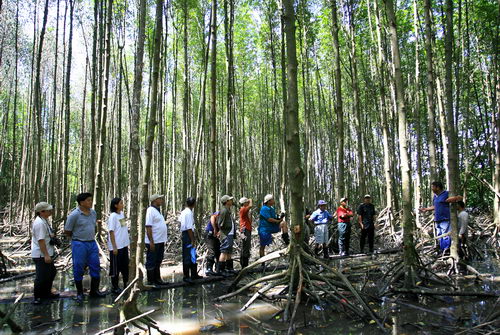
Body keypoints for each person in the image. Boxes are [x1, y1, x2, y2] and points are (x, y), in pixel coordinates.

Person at [65, 193, 106, 302]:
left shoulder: (93, 213)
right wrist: (77, 239)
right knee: (78, 267)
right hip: (79, 243)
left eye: (91, 200)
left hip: (92, 243)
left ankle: (94, 291)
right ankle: (79, 293)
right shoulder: (74, 215)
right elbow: (67, 231)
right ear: (81, 202)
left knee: (95, 266)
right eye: (88, 200)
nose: (91, 202)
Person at [419, 181, 463, 252]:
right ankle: (443, 250)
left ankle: (447, 251)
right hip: (437, 220)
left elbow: (460, 198)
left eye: (433, 187)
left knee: (446, 236)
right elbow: (435, 206)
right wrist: (426, 209)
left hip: (445, 219)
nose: (432, 189)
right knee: (440, 236)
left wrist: (452, 199)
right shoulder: (435, 197)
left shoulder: (446, 193)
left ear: (438, 187)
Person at [31, 202, 59, 305]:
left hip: (46, 252)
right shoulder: (39, 223)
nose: (50, 211)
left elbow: (46, 236)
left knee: (51, 273)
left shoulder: (44, 221)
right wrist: (46, 255)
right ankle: (37, 297)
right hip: (41, 254)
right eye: (48, 210)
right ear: (41, 212)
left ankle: (46, 293)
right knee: (41, 276)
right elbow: (41, 240)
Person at [107, 198, 129, 294]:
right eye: (121, 203)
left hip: (124, 246)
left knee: (125, 266)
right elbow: (111, 232)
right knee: (115, 268)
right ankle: (114, 287)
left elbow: (123, 228)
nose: (122, 204)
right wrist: (114, 246)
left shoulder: (121, 214)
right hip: (116, 247)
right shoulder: (113, 216)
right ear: (115, 205)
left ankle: (125, 284)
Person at [145, 194, 168, 286]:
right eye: (159, 199)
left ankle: (157, 279)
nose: (161, 200)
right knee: (151, 261)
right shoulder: (150, 210)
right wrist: (151, 241)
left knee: (158, 260)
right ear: (155, 200)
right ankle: (151, 281)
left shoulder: (157, 211)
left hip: (160, 240)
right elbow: (148, 226)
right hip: (154, 242)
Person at [258, 194, 289, 260]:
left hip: (272, 227)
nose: (274, 200)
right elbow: (269, 219)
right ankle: (262, 261)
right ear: (269, 201)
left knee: (284, 223)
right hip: (265, 229)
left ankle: (286, 240)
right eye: (272, 199)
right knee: (262, 246)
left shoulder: (271, 208)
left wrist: (280, 217)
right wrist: (277, 221)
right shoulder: (264, 208)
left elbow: (275, 218)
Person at [180, 197, 202, 283]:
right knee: (188, 255)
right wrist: (192, 239)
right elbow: (189, 228)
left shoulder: (184, 212)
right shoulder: (188, 213)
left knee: (192, 254)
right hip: (188, 235)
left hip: (186, 234)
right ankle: (187, 276)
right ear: (194, 204)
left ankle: (193, 274)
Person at [217, 195, 237, 276]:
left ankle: (229, 268)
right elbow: (219, 223)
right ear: (226, 202)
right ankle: (220, 270)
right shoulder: (224, 211)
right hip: (226, 234)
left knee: (229, 251)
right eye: (230, 200)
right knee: (224, 251)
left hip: (230, 233)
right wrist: (223, 230)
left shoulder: (228, 210)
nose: (231, 201)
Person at [204, 211, 221, 276]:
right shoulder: (220, 213)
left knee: (218, 251)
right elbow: (213, 217)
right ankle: (208, 269)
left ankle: (218, 268)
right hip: (209, 233)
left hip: (215, 236)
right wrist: (215, 229)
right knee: (212, 252)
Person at [239, 197, 253, 268]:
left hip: (245, 230)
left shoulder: (245, 211)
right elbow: (250, 206)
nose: (248, 203)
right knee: (245, 247)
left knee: (245, 247)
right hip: (244, 231)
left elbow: (250, 221)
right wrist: (250, 199)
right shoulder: (243, 209)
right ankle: (244, 266)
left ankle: (244, 265)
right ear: (244, 203)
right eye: (247, 202)